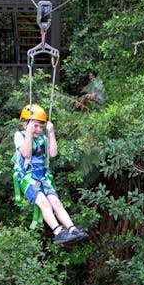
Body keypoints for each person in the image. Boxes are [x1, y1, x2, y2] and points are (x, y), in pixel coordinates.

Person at [13, 104, 88, 244]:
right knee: (44, 202)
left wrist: (51, 133)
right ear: (26, 124)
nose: (39, 130)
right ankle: (58, 232)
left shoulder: (43, 138)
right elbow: (26, 153)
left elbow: (53, 153)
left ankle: (73, 229)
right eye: (35, 126)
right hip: (27, 177)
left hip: (43, 177)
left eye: (41, 127)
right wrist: (29, 133)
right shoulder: (20, 136)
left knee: (56, 202)